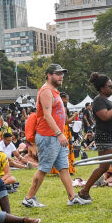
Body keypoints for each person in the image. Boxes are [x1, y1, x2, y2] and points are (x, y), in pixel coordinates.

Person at [22, 64, 90, 208]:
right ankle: (29, 198)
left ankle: (72, 198)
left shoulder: (55, 91)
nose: (61, 76)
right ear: (49, 75)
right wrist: (59, 134)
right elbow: (47, 116)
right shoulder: (46, 91)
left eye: (62, 74)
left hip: (56, 137)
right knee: (44, 168)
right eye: (57, 74)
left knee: (64, 168)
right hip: (48, 137)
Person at [77, 72, 112, 202]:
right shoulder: (98, 101)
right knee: (104, 167)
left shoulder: (107, 100)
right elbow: (105, 116)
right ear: (102, 88)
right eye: (110, 86)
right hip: (106, 137)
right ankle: (84, 191)